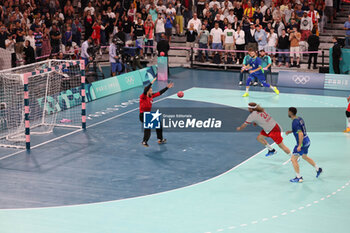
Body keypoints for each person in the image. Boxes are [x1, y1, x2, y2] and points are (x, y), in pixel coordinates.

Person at [285, 107, 323, 183]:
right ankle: (318, 169)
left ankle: (298, 178)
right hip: (307, 140)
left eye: (288, 112)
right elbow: (300, 129)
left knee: (293, 159)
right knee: (304, 157)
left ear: (291, 113)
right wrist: (291, 131)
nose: (288, 113)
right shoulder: (299, 118)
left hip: (302, 142)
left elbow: (300, 133)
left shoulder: (295, 122)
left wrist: (299, 145)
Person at [139, 77, 174, 147]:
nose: (152, 91)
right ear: (147, 91)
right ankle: (144, 141)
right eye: (151, 89)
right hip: (143, 115)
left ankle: (160, 139)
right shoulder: (143, 96)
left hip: (148, 114)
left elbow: (159, 93)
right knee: (148, 128)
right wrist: (151, 82)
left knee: (159, 125)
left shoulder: (151, 96)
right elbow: (145, 90)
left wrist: (167, 87)